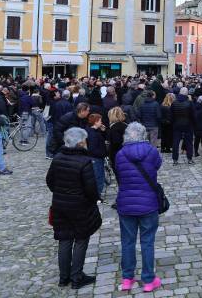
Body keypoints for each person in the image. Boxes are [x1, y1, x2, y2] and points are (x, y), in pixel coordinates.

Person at [46, 127, 102, 290]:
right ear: (80, 143)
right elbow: (91, 189)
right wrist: (93, 200)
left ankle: (64, 277)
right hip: (79, 206)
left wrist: (61, 192)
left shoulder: (57, 158)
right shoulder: (84, 161)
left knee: (64, 239)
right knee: (81, 239)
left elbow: (50, 180)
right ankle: (76, 277)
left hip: (60, 205)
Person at [114, 122, 163, 292]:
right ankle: (148, 280)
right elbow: (157, 165)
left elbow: (119, 174)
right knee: (147, 242)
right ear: (144, 135)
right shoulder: (151, 151)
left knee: (127, 242)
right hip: (148, 202)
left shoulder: (120, 154)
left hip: (126, 202)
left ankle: (127, 278)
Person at [86, 113, 107, 200]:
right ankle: (97, 197)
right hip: (96, 158)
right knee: (99, 177)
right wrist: (103, 154)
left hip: (94, 158)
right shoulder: (94, 134)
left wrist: (102, 131)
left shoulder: (90, 131)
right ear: (96, 122)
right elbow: (92, 149)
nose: (101, 122)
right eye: (100, 121)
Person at [171, 88, 195, 165]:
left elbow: (171, 115)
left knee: (176, 142)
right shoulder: (190, 103)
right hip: (187, 125)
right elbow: (193, 115)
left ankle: (175, 159)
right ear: (187, 94)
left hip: (177, 124)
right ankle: (189, 158)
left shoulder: (174, 103)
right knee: (189, 142)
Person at [107, 106, 128, 176]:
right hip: (126, 153)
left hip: (117, 155)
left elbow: (116, 143)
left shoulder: (114, 128)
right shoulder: (125, 125)